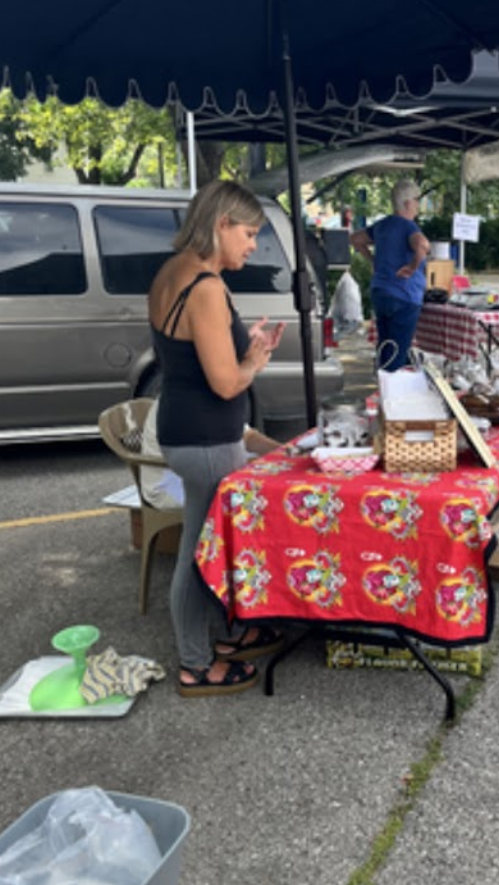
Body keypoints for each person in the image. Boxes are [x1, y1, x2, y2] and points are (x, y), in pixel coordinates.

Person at [148, 179, 286, 697]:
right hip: (205, 440)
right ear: (221, 224)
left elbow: (191, 355)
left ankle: (227, 635)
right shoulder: (205, 286)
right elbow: (226, 381)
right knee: (199, 552)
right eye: (249, 233)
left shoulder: (173, 271)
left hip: (189, 428)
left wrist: (242, 344)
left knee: (211, 543)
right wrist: (254, 360)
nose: (253, 246)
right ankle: (195, 663)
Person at [141, 398, 281, 509]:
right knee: (252, 498)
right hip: (170, 483)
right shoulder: (180, 402)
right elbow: (208, 458)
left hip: (196, 473)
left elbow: (247, 436)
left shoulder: (210, 396)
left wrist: (284, 451)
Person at [349, 180, 430, 370]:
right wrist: (412, 266)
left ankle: (382, 386)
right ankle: (393, 389)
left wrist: (372, 259)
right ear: (408, 203)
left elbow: (355, 239)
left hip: (381, 292)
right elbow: (422, 245)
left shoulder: (382, 225)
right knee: (398, 352)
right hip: (404, 295)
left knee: (385, 346)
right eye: (417, 200)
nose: (418, 205)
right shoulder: (409, 227)